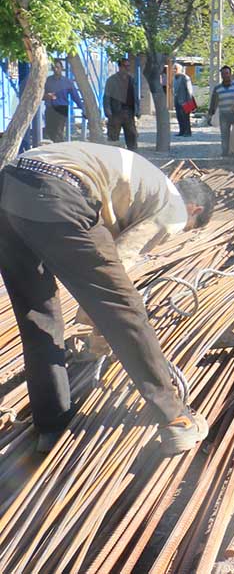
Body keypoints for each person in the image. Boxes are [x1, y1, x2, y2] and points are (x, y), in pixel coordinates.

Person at [0, 142, 216, 454]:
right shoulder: (173, 207)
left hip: (9, 187)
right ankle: (176, 419)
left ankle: (51, 425)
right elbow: (119, 277)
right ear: (193, 210)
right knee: (128, 311)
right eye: (188, 228)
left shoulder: (146, 182)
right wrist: (100, 334)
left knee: (39, 317)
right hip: (57, 189)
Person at [42, 60, 83, 143]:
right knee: (50, 132)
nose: (56, 69)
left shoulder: (67, 82)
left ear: (62, 68)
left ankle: (59, 150)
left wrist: (82, 108)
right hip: (50, 108)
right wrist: (47, 96)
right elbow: (40, 96)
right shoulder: (47, 81)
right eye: (54, 68)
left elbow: (75, 96)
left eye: (57, 67)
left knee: (58, 131)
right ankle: (54, 149)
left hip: (61, 109)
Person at [103, 59, 139, 151]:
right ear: (120, 67)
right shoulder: (111, 80)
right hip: (116, 113)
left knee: (132, 138)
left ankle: (133, 158)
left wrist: (137, 110)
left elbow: (135, 96)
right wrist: (108, 112)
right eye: (125, 66)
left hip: (129, 113)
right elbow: (106, 97)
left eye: (128, 66)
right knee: (113, 140)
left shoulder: (132, 79)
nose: (127, 68)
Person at [205, 66, 234, 158]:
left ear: (230, 74)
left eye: (227, 73)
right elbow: (214, 103)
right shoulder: (218, 88)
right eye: (223, 74)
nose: (225, 75)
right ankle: (225, 153)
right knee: (225, 135)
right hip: (224, 115)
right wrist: (210, 115)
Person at [171, 68, 195, 138]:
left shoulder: (185, 77)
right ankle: (181, 131)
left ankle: (188, 132)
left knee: (186, 118)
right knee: (179, 117)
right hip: (177, 101)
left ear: (180, 69)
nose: (174, 70)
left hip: (185, 101)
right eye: (173, 69)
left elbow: (189, 90)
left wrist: (189, 101)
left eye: (176, 68)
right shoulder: (175, 78)